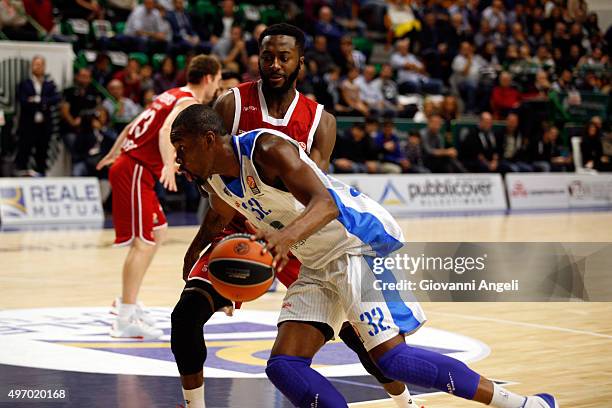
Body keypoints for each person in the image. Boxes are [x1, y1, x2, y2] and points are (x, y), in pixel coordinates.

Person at [171, 104, 559, 408]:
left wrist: (284, 239)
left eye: (182, 147)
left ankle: (526, 404)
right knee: (284, 365)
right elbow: (218, 215)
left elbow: (326, 205)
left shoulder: (267, 149)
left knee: (393, 360)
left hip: (358, 243)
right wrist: (194, 256)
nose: (178, 159)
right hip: (317, 261)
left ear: (208, 139)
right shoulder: (216, 181)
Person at [171, 23, 417, 408]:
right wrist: (200, 242)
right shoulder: (231, 104)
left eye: (283, 56)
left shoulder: (321, 121)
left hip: (296, 238)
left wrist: (280, 238)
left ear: (300, 61)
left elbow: (312, 195)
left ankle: (405, 402)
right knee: (186, 316)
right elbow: (213, 181)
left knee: (359, 335)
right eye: (266, 56)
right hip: (236, 229)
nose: (274, 64)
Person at [96, 55, 222, 340]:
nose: (217, 85)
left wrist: (115, 151)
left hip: (132, 165)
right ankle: (125, 315)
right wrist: (168, 162)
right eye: (218, 79)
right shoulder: (189, 101)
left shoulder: (169, 94)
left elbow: (133, 125)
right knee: (143, 243)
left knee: (158, 230)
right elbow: (166, 130)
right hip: (136, 169)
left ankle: (127, 301)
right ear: (209, 78)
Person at [14, 55, 60, 176]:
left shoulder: (49, 84)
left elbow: (56, 98)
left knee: (42, 151)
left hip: (44, 124)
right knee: (24, 150)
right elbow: (23, 100)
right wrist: (44, 102)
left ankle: (41, 174)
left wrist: (37, 100)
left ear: (44, 67)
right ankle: (21, 174)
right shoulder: (25, 84)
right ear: (31, 66)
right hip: (28, 123)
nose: (38, 67)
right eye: (35, 64)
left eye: (40, 65)